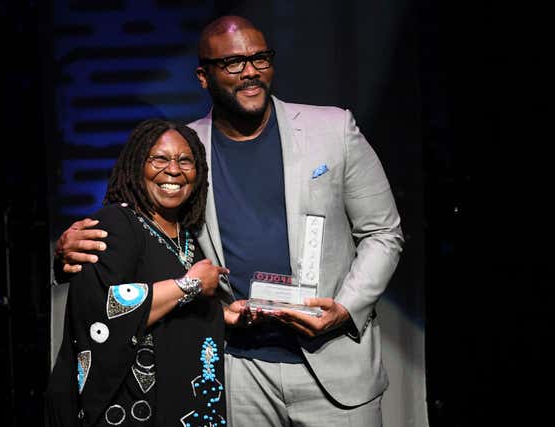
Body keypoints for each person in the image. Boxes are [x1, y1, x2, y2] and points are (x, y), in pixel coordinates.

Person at [54, 16, 404, 427]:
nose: (251, 71)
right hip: (236, 368)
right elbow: (139, 231)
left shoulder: (332, 129)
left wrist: (345, 308)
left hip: (334, 365)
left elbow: (383, 232)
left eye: (260, 58)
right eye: (234, 63)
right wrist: (71, 253)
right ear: (204, 76)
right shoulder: (183, 150)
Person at [45, 118, 232, 426]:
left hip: (185, 407)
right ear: (136, 165)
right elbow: (104, 308)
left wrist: (221, 313)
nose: (173, 169)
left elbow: (170, 313)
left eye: (185, 160)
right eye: (159, 158)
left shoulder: (188, 237)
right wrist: (192, 285)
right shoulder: (115, 224)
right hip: (134, 411)